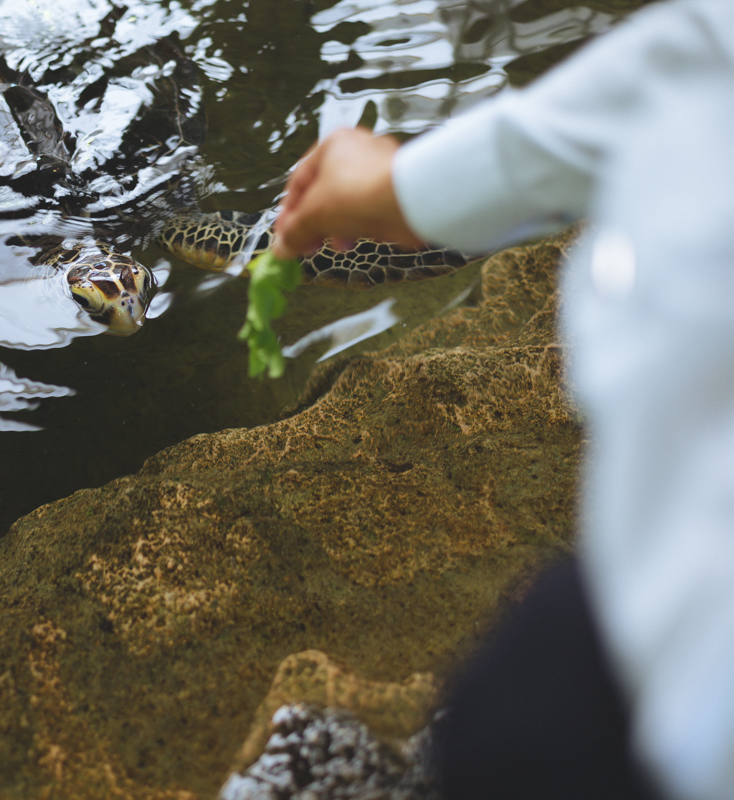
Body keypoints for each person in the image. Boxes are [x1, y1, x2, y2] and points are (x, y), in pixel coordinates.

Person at [272, 2, 734, 798]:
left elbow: (684, 64)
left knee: (513, 713)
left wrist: (407, 188)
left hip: (647, 674)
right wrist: (410, 190)